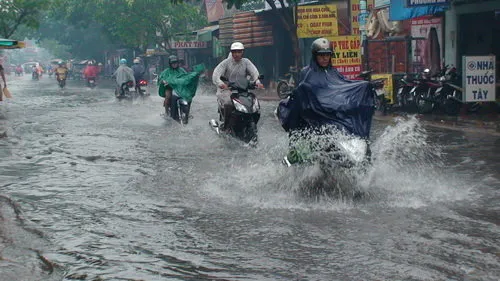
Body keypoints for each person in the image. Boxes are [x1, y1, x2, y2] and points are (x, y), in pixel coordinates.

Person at [278, 37, 375, 165]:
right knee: (302, 149)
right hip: (313, 117)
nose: (324, 58)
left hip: (332, 114)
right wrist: (303, 92)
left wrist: (363, 86)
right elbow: (302, 92)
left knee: (361, 143)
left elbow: (343, 87)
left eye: (327, 55)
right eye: (321, 55)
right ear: (315, 56)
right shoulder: (307, 72)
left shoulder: (334, 72)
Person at [211, 42, 263, 131]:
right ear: (231, 52)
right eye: (234, 52)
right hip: (227, 90)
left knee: (253, 102)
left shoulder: (246, 62)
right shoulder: (225, 63)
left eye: (239, 52)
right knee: (228, 104)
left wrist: (257, 82)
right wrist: (221, 84)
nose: (236, 54)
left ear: (242, 52)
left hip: (242, 90)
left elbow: (254, 73)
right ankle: (226, 127)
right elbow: (216, 75)